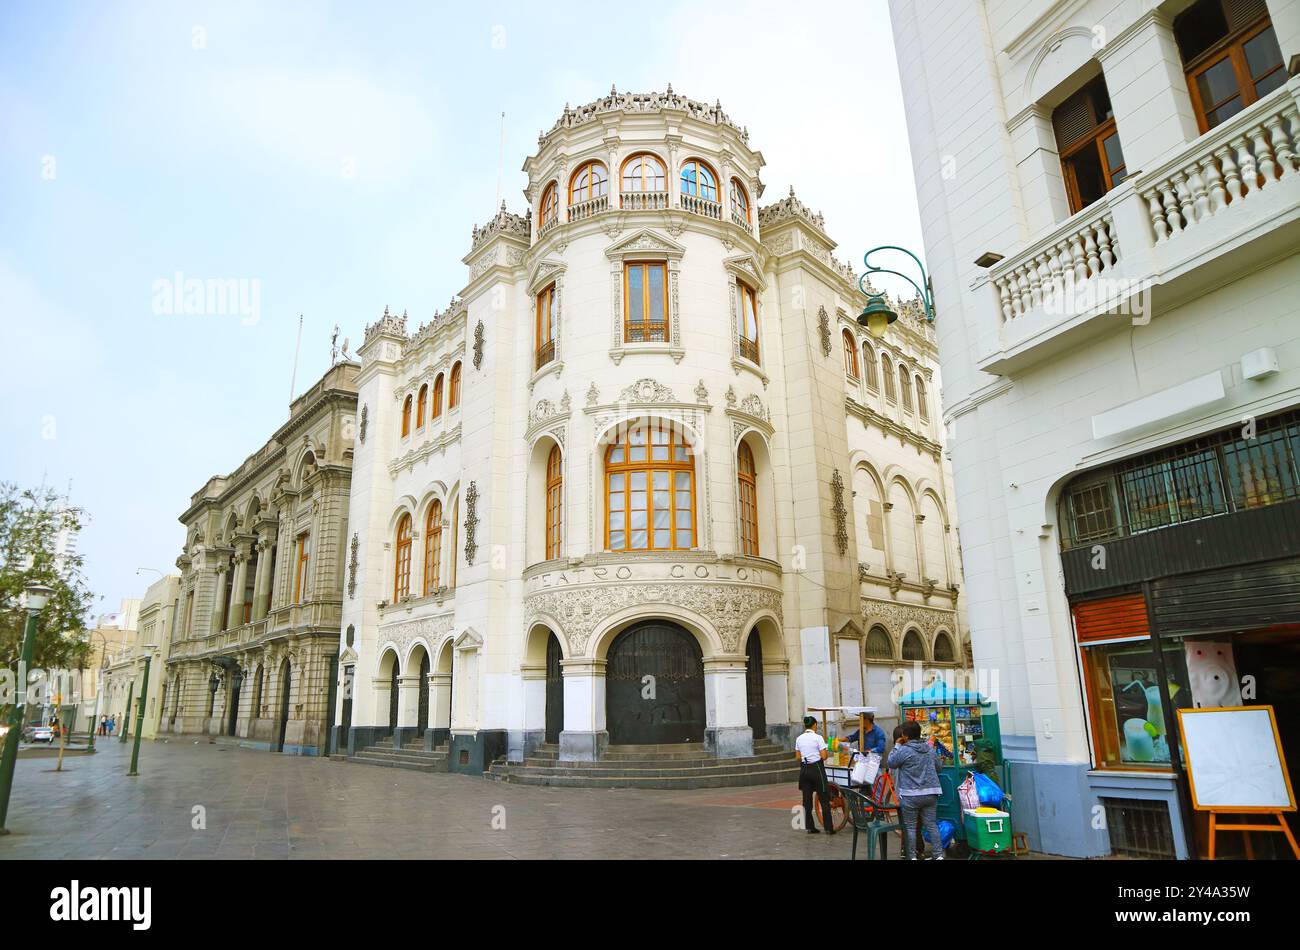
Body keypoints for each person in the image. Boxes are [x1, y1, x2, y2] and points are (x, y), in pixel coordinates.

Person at [888, 720, 945, 860]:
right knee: (932, 825)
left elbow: (891, 763)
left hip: (910, 795)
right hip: (931, 793)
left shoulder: (904, 750)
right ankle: (938, 855)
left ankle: (912, 856)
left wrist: (897, 745)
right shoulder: (929, 749)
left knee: (911, 827)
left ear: (905, 736)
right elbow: (939, 768)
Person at [794, 715, 836, 835]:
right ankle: (828, 827)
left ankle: (810, 827)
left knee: (806, 800)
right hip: (816, 768)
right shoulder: (818, 738)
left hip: (804, 769)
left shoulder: (799, 738)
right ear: (815, 725)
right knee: (824, 797)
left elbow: (798, 757)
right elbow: (824, 756)